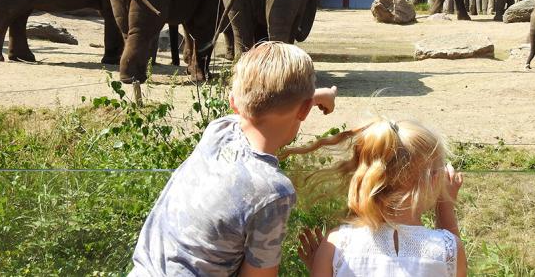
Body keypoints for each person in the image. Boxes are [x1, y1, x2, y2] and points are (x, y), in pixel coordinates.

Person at [129, 41, 338, 276]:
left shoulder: (219, 131)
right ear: (304, 110)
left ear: (232, 103)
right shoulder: (273, 191)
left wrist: (316, 98)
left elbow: (260, 105)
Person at [288, 118, 466, 277]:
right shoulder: (447, 249)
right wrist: (445, 204)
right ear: (435, 181)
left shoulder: (337, 244)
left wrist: (321, 264)